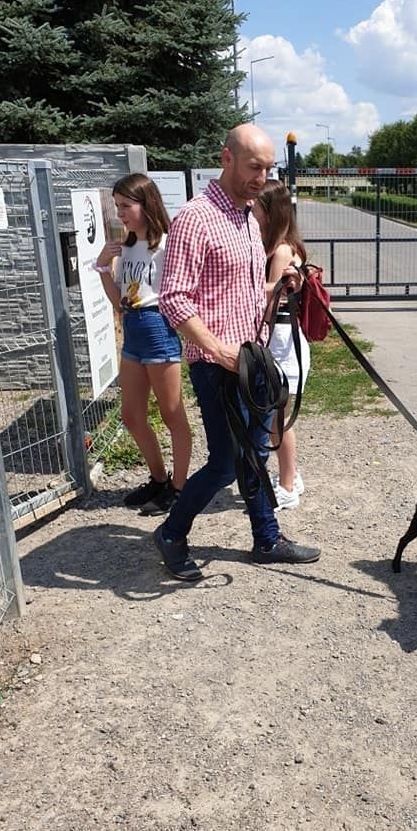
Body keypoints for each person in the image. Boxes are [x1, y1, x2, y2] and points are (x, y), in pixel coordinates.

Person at [153, 124, 321, 581]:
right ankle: (171, 532)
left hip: (251, 358)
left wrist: (283, 288)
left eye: (267, 169)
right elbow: (174, 298)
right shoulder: (195, 218)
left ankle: (267, 538)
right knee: (227, 462)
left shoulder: (248, 217)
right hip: (216, 365)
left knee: (254, 455)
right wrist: (218, 351)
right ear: (225, 158)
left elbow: (243, 294)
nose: (261, 177)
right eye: (253, 167)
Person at [94, 173, 192, 515]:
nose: (120, 213)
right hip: (134, 328)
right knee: (132, 415)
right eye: (117, 205)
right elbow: (119, 301)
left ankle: (179, 490)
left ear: (145, 204)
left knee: (172, 414)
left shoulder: (167, 242)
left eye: (125, 205)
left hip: (157, 326)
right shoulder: (127, 242)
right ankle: (159, 479)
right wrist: (104, 268)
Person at [252, 179, 309, 510]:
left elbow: (272, 301)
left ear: (271, 211)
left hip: (282, 343)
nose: (251, 210)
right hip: (281, 340)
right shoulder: (278, 245)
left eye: (256, 206)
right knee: (277, 415)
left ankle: (287, 485)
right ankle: (292, 475)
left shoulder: (283, 249)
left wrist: (246, 288)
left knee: (278, 418)